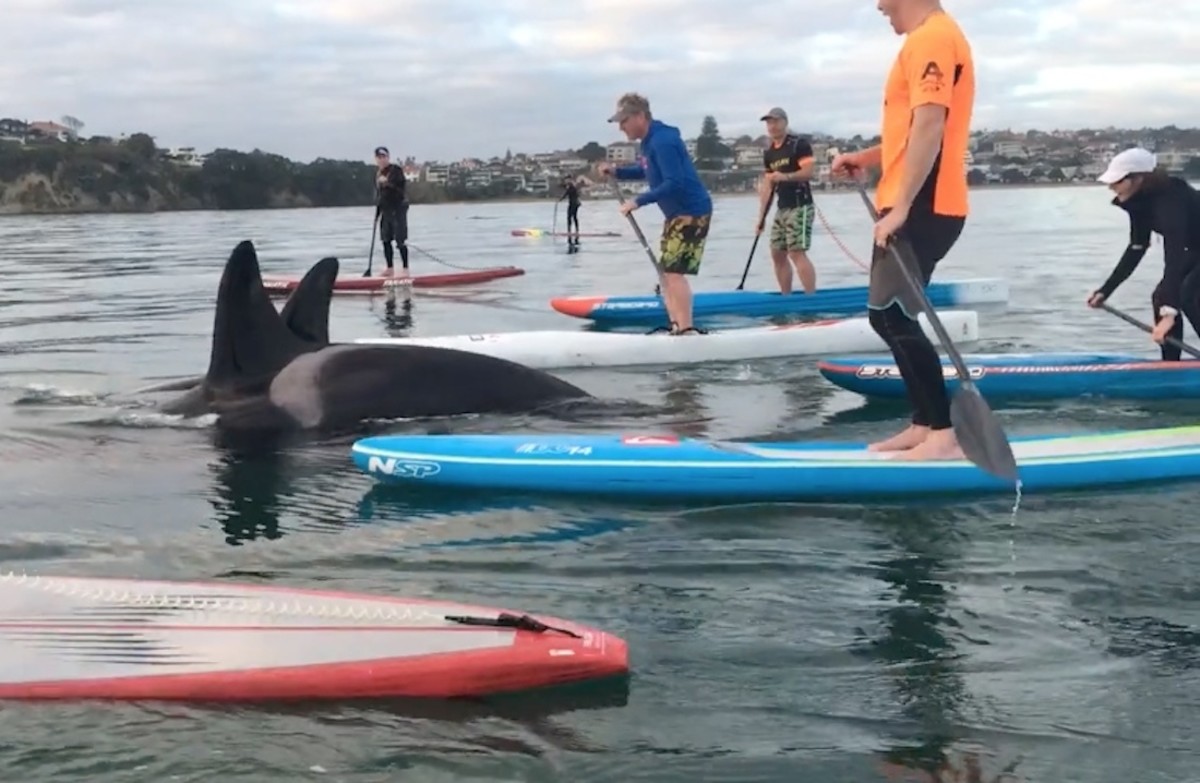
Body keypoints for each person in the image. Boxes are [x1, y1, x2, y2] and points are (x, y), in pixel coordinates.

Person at [830, 0, 975, 462]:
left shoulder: (933, 37)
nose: (878, 6)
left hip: (924, 203)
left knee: (894, 317)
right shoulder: (924, 40)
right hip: (911, 200)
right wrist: (867, 160)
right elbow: (913, 129)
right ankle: (924, 424)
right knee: (888, 316)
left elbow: (932, 124)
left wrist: (903, 208)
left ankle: (943, 433)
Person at [596, 92, 714, 336]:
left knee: (673, 272)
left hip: (691, 211)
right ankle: (676, 326)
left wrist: (639, 200)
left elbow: (675, 182)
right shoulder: (649, 142)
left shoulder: (663, 141)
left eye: (624, 121)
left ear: (640, 116)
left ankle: (686, 328)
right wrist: (618, 171)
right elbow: (647, 170)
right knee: (666, 272)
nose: (621, 128)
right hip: (676, 213)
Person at [1086, 147, 1200, 360]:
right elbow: (1136, 247)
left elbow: (1173, 254)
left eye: (1117, 181)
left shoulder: (1171, 199)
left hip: (1190, 248)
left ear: (1138, 179)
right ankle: (1170, 367)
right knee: (1161, 296)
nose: (1111, 187)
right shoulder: (1139, 202)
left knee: (1187, 294)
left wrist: (1169, 314)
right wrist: (1106, 290)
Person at [757, 106, 818, 295]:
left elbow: (809, 172)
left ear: (785, 122)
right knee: (777, 253)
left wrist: (785, 177)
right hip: (782, 208)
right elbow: (768, 186)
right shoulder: (769, 153)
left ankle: (810, 296)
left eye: (775, 121)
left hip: (801, 205)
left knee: (796, 252)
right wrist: (761, 219)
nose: (772, 126)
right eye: (769, 122)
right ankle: (786, 296)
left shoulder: (798, 145)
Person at [373, 146, 409, 277]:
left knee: (400, 240)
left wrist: (387, 183)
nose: (382, 160)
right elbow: (379, 197)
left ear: (388, 157)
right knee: (385, 239)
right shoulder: (378, 174)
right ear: (376, 159)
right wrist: (377, 213)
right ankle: (390, 268)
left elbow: (400, 191)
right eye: (379, 157)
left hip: (398, 208)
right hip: (386, 210)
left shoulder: (396, 171)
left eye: (384, 157)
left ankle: (405, 269)